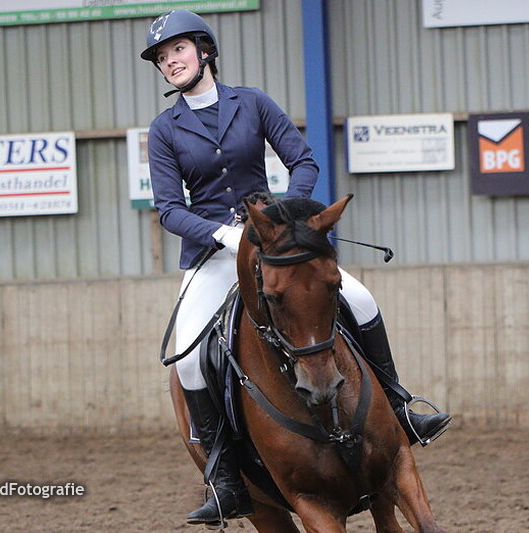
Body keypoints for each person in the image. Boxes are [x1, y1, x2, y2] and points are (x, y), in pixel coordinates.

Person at [140, 9, 451, 527]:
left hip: (278, 246)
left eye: (178, 50)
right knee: (189, 358)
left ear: (204, 50)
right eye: (162, 56)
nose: (170, 61)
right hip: (214, 256)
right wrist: (224, 233)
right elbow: (170, 209)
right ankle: (223, 477)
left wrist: (287, 222)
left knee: (362, 299)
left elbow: (303, 161)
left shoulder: (253, 102)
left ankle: (400, 410)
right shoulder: (164, 129)